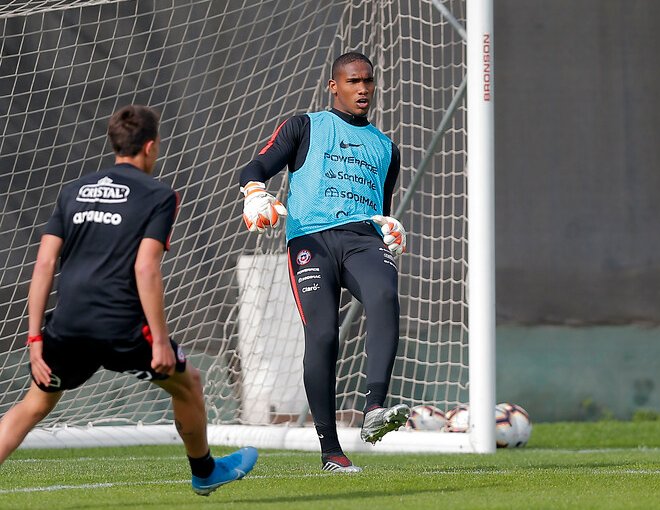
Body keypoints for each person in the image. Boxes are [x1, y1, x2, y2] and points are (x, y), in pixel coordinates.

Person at [0, 105, 257, 495]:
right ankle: (204, 471)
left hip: (67, 325)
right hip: (120, 325)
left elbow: (45, 263)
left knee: (34, 405)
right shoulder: (159, 195)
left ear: (115, 143)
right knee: (188, 383)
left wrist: (35, 339)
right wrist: (158, 341)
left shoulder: (73, 192)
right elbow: (146, 269)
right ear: (150, 147)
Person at [238, 51, 410, 473]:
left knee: (385, 294)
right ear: (334, 85)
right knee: (323, 336)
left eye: (368, 81)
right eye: (353, 81)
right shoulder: (305, 125)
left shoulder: (388, 148)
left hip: (361, 239)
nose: (363, 88)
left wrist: (389, 225)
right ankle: (331, 451)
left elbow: (379, 207)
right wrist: (255, 191)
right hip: (310, 240)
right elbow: (256, 165)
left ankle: (374, 409)